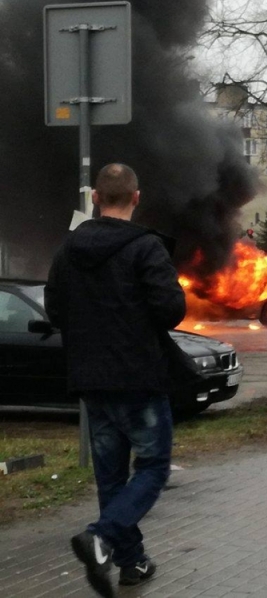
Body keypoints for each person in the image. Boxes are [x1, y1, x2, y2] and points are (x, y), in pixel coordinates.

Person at [45, 164, 186, 596]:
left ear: (96, 200)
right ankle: (102, 538)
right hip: (138, 378)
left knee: (110, 477)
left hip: (91, 381)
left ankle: (130, 564)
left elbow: (54, 309)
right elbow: (171, 310)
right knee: (153, 466)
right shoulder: (145, 247)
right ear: (136, 198)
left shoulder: (69, 250)